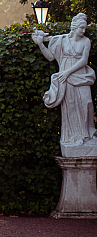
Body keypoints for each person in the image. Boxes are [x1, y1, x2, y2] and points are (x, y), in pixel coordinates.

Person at [32, 13, 97, 149]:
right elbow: (50, 57)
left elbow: (84, 60)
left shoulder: (86, 41)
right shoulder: (61, 40)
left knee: (87, 103)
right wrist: (40, 44)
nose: (83, 31)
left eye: (84, 28)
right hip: (65, 78)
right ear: (74, 27)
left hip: (79, 76)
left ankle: (87, 135)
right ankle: (74, 138)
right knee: (71, 107)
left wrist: (67, 72)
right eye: (81, 28)